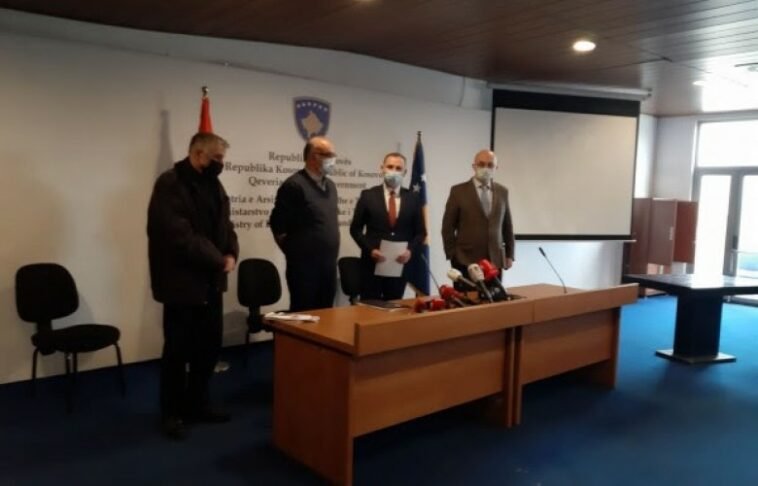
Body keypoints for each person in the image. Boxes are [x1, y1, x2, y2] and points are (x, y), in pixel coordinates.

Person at [147, 132, 239, 440]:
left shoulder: (214, 185)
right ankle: (172, 413)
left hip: (211, 283)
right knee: (177, 352)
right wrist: (219, 260)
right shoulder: (170, 184)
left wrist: (231, 252)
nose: (221, 164)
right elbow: (179, 236)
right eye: (217, 158)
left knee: (208, 349)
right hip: (181, 285)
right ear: (198, 154)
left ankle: (198, 403)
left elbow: (226, 226)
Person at [270, 136, 340, 311]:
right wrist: (296, 253)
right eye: (329, 155)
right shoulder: (294, 186)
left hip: (328, 267)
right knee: (304, 315)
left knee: (326, 316)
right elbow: (278, 225)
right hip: (304, 270)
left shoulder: (331, 186)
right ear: (314, 156)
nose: (333, 159)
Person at [350, 152, 426, 300]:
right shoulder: (368, 195)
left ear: (405, 172)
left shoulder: (413, 198)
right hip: (372, 265)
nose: (394, 171)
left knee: (394, 308)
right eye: (390, 167)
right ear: (382, 168)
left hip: (399, 266)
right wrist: (370, 249)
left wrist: (410, 251)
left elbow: (421, 232)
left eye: (398, 168)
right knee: (370, 308)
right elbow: (355, 229)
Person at [441, 149, 515, 283]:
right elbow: (448, 227)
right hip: (465, 261)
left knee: (494, 296)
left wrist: (510, 255)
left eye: (490, 165)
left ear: (496, 168)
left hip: (495, 261)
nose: (485, 168)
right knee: (468, 296)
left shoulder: (502, 191)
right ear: (474, 166)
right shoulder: (458, 191)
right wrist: (453, 256)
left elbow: (507, 226)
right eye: (481, 164)